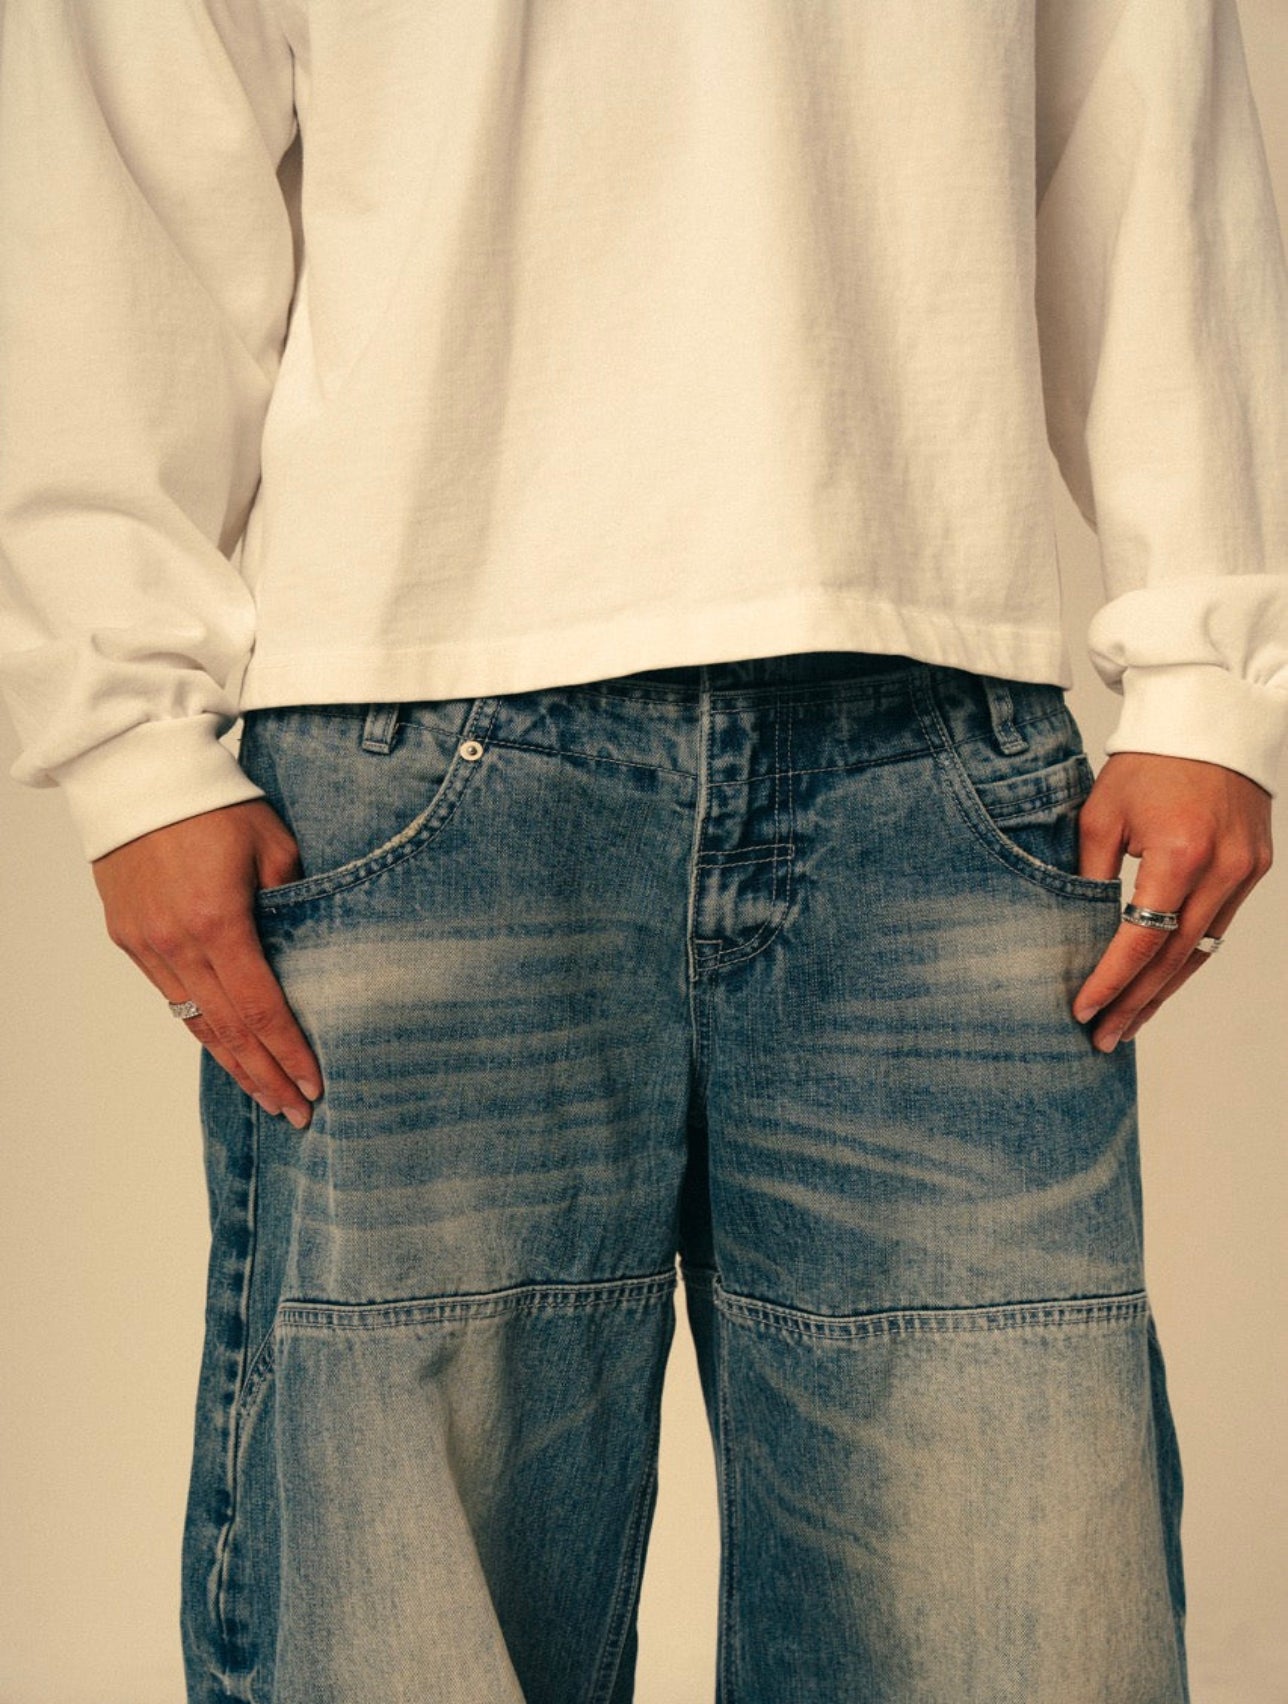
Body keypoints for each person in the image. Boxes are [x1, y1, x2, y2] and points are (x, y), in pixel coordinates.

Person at [0, 2, 1283, 1699]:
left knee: (1011, 1627)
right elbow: (127, 126)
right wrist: (126, 740)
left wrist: (1214, 662)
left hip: (926, 735)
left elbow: (1140, 81)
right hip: (415, 733)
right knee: (388, 1633)